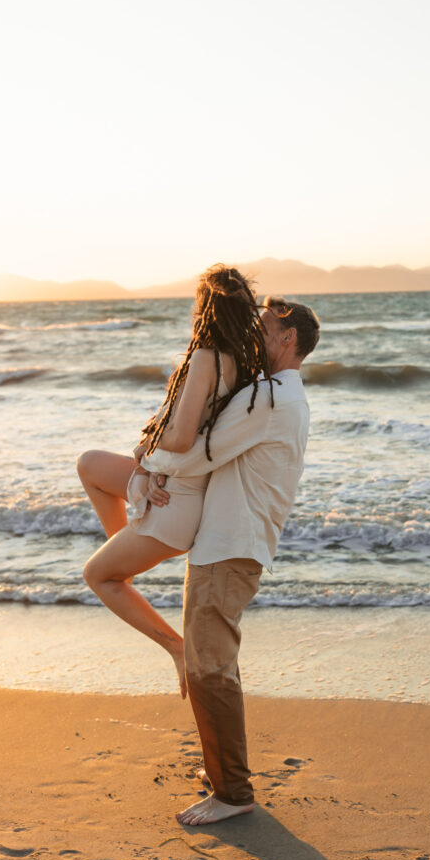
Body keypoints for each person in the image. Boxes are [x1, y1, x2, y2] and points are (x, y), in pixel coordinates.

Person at [139, 294, 320, 826]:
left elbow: (203, 449)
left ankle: (232, 792)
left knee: (208, 670)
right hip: (236, 541)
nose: (253, 335)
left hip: (230, 542)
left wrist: (145, 463)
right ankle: (224, 776)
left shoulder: (269, 396)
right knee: (213, 665)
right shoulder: (286, 396)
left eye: (262, 327)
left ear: (288, 338)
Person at [78, 265, 270, 698]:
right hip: (177, 486)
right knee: (89, 464)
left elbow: (182, 438)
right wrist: (148, 460)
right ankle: (126, 546)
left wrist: (148, 445)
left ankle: (175, 648)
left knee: (98, 576)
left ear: (205, 307)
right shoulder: (243, 362)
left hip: (176, 501)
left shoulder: (206, 357)